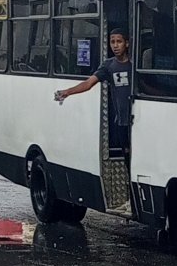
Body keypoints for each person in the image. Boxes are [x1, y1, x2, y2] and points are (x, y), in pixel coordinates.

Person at [54, 29, 132, 171]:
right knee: (128, 158)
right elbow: (88, 84)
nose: (115, 45)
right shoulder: (108, 66)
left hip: (138, 119)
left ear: (126, 44)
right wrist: (67, 92)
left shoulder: (135, 64)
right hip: (122, 122)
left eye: (119, 42)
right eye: (112, 42)